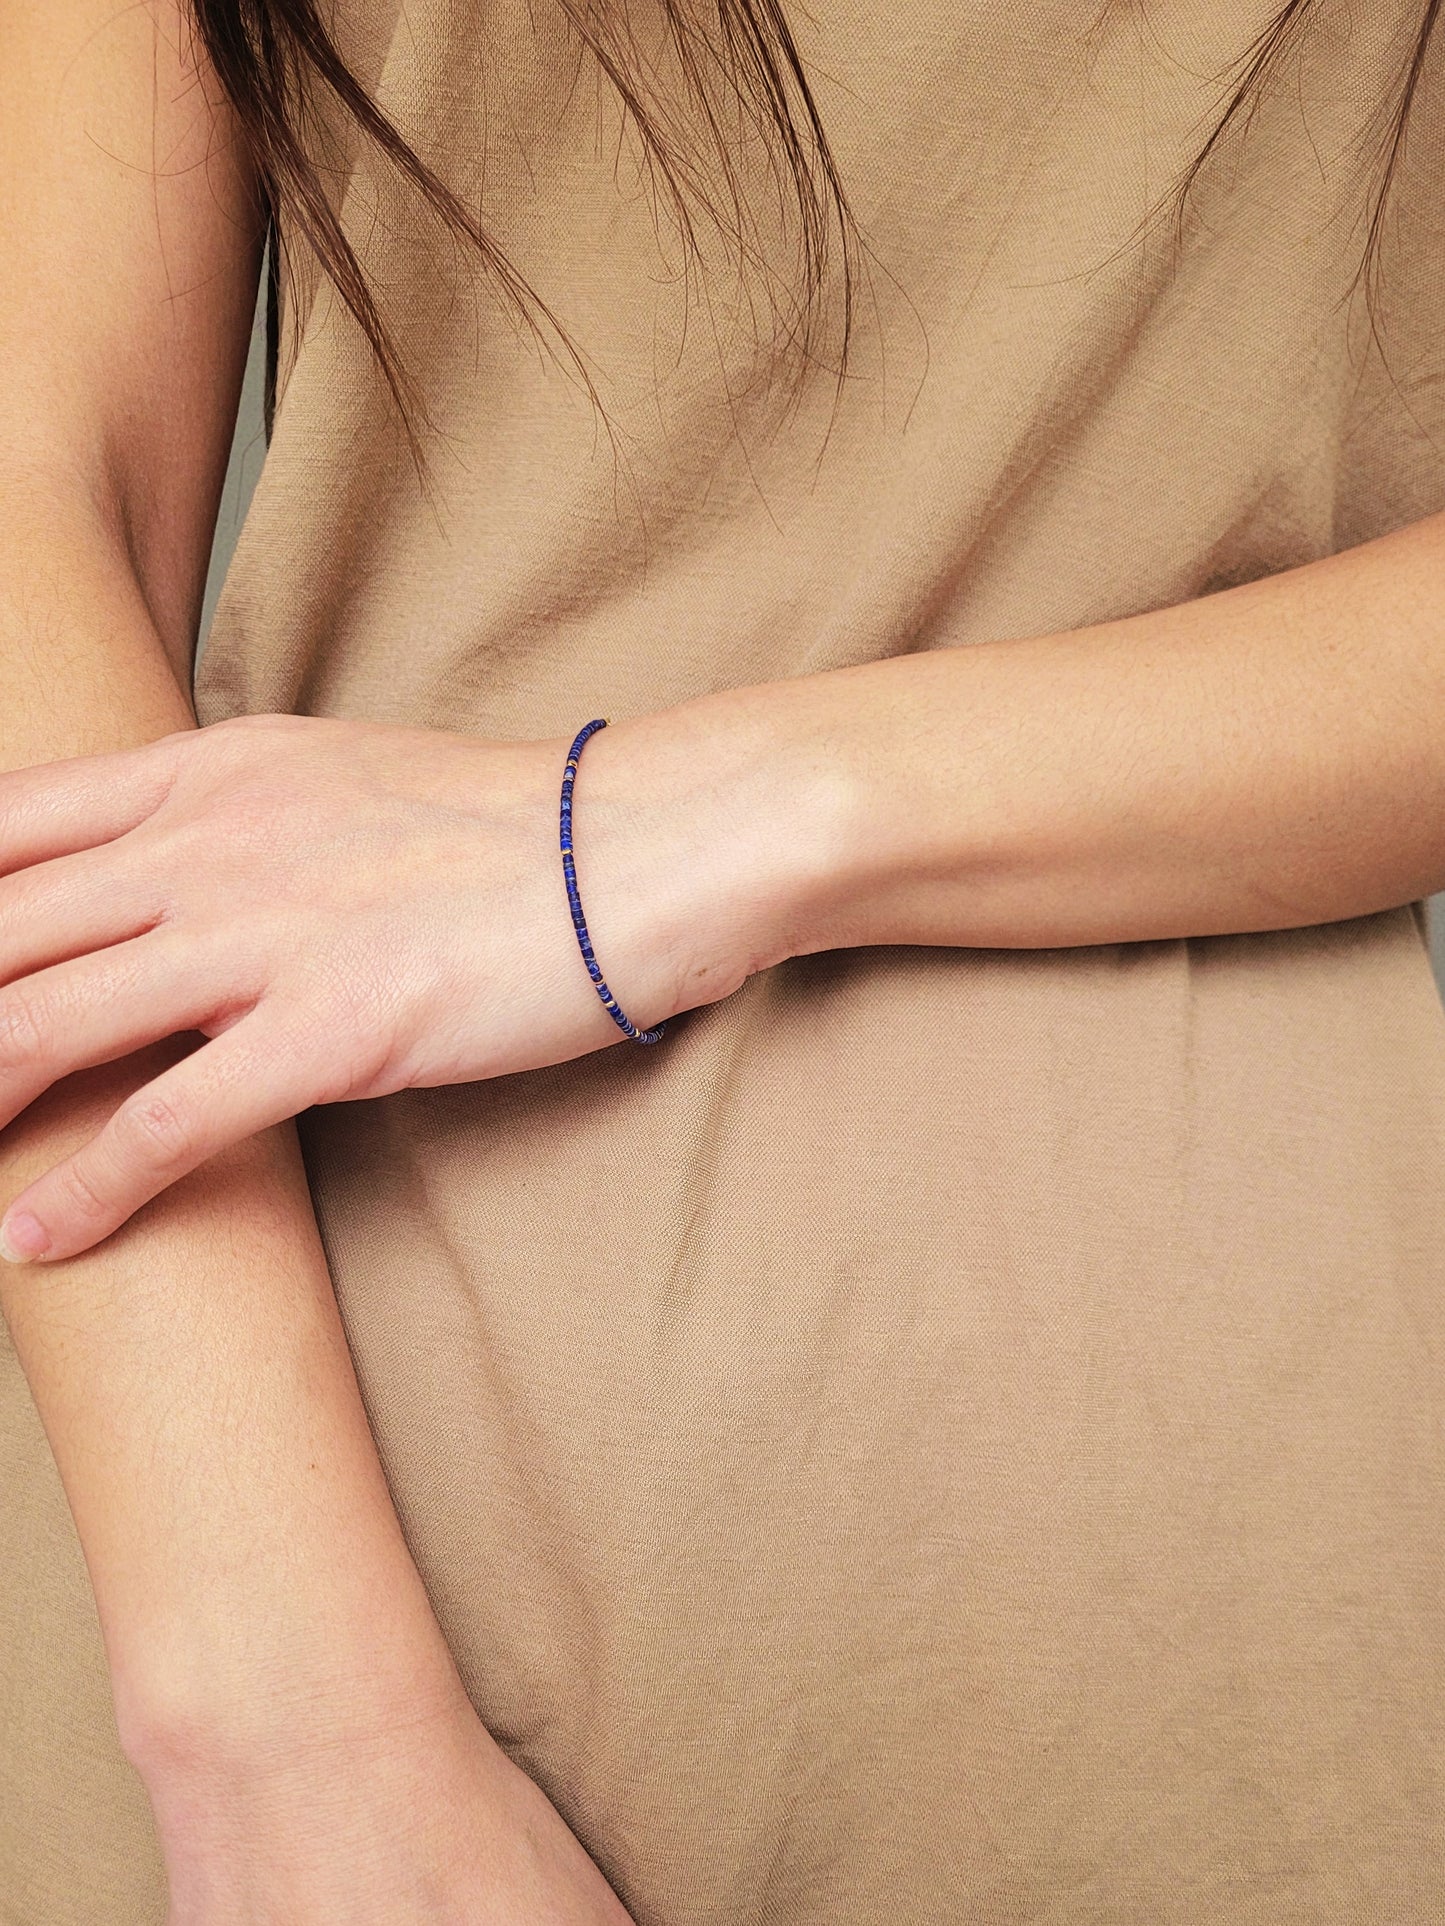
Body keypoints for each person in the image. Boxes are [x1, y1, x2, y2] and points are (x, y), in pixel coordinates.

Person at [3, 0, 1444, 1919]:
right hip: (251, 1534)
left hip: (1194, 1574)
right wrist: (273, 1713)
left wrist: (659, 831)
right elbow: (35, 483)